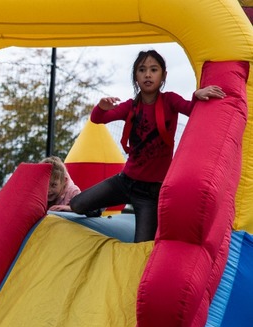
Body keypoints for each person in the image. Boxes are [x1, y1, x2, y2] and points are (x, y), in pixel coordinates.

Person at [69, 49, 226, 242]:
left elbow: (192, 110)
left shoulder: (169, 100)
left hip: (150, 193)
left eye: (154, 69)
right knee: (77, 205)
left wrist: (197, 95)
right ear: (136, 77)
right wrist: (102, 106)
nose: (148, 74)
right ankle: (101, 205)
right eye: (142, 70)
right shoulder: (131, 106)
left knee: (142, 245)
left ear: (163, 76)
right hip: (125, 181)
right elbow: (98, 119)